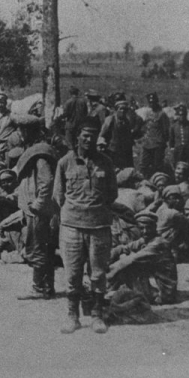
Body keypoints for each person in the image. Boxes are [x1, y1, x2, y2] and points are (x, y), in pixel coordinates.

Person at [54, 117, 118, 334]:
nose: (89, 139)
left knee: (98, 274)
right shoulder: (64, 162)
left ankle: (97, 316)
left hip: (99, 227)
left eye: (93, 134)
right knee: (72, 274)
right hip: (71, 227)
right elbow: (58, 195)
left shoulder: (106, 163)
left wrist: (96, 210)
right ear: (78, 137)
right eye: (85, 135)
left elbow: (112, 194)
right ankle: (73, 316)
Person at [13, 115, 59, 301]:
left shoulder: (40, 154)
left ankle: (38, 287)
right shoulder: (35, 149)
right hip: (36, 207)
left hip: (39, 210)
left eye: (22, 130)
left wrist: (38, 204)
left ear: (27, 131)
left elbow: (46, 181)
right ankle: (48, 287)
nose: (20, 134)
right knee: (44, 247)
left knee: (38, 246)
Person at [107, 211, 178, 305]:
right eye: (141, 228)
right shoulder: (146, 239)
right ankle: (109, 290)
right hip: (162, 288)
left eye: (148, 228)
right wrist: (110, 255)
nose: (145, 231)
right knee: (124, 258)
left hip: (166, 293)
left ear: (154, 227)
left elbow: (132, 260)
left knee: (130, 265)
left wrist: (105, 275)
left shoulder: (158, 243)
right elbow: (125, 248)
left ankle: (107, 290)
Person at [138, 92, 170, 179]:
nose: (151, 104)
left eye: (153, 102)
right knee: (143, 165)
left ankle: (158, 182)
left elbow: (166, 130)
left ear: (157, 102)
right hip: (147, 143)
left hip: (157, 144)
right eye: (150, 102)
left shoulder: (162, 114)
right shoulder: (148, 113)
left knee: (157, 166)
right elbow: (145, 127)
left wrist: (162, 143)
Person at [98, 100, 137, 170]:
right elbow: (102, 134)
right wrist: (101, 144)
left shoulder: (126, 121)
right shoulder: (110, 119)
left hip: (123, 150)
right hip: (112, 150)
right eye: (121, 109)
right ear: (116, 110)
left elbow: (128, 136)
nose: (123, 111)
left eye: (125, 109)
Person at [168, 103, 189, 170]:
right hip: (179, 152)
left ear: (186, 115)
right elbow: (171, 141)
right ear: (177, 115)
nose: (182, 117)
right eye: (180, 115)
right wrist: (173, 150)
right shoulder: (174, 126)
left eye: (183, 115)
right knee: (179, 168)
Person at [62, 86, 88, 150]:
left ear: (70, 93)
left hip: (70, 125)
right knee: (80, 143)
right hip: (81, 125)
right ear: (77, 93)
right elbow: (86, 113)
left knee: (70, 144)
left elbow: (65, 114)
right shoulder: (83, 102)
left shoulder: (68, 102)